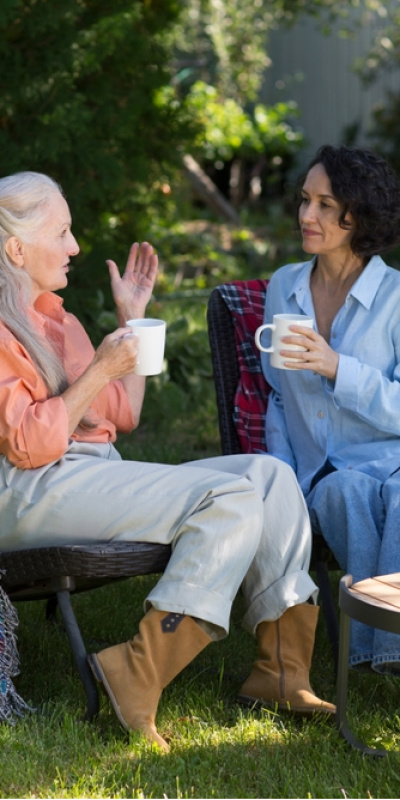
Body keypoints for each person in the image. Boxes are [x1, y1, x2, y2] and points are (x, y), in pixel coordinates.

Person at [0, 171, 334, 753]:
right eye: (64, 232)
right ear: (17, 248)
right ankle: (136, 673)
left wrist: (131, 320)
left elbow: (122, 414)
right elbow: (27, 442)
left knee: (269, 476)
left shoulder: (61, 321)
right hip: (27, 489)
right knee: (226, 499)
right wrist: (99, 371)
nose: (76, 246)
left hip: (87, 471)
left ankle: (282, 672)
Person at [261, 143, 400, 675]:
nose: (306, 215)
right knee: (342, 492)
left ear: (357, 213)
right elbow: (277, 394)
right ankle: (380, 654)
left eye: (324, 204)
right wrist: (284, 479)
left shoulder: (394, 296)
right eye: (304, 201)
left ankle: (384, 653)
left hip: (389, 460)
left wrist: (338, 368)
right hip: (323, 473)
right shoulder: (284, 287)